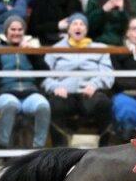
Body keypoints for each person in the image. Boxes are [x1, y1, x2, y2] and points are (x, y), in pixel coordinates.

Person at [43, 13, 114, 144]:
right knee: (54, 105)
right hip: (64, 94)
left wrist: (95, 84)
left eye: (82, 24)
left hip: (89, 93)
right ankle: (61, 150)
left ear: (86, 30)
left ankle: (104, 148)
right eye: (75, 24)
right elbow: (44, 76)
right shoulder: (55, 49)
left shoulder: (100, 49)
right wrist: (55, 87)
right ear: (68, 29)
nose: (78, 27)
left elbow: (108, 74)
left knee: (105, 104)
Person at [0, 15, 50, 150]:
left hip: (30, 93)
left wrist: (32, 53)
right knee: (11, 105)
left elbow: (45, 70)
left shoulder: (31, 47)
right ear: (6, 32)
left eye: (20, 29)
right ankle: (3, 147)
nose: (16, 33)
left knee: (43, 106)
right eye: (13, 29)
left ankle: (38, 149)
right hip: (6, 93)